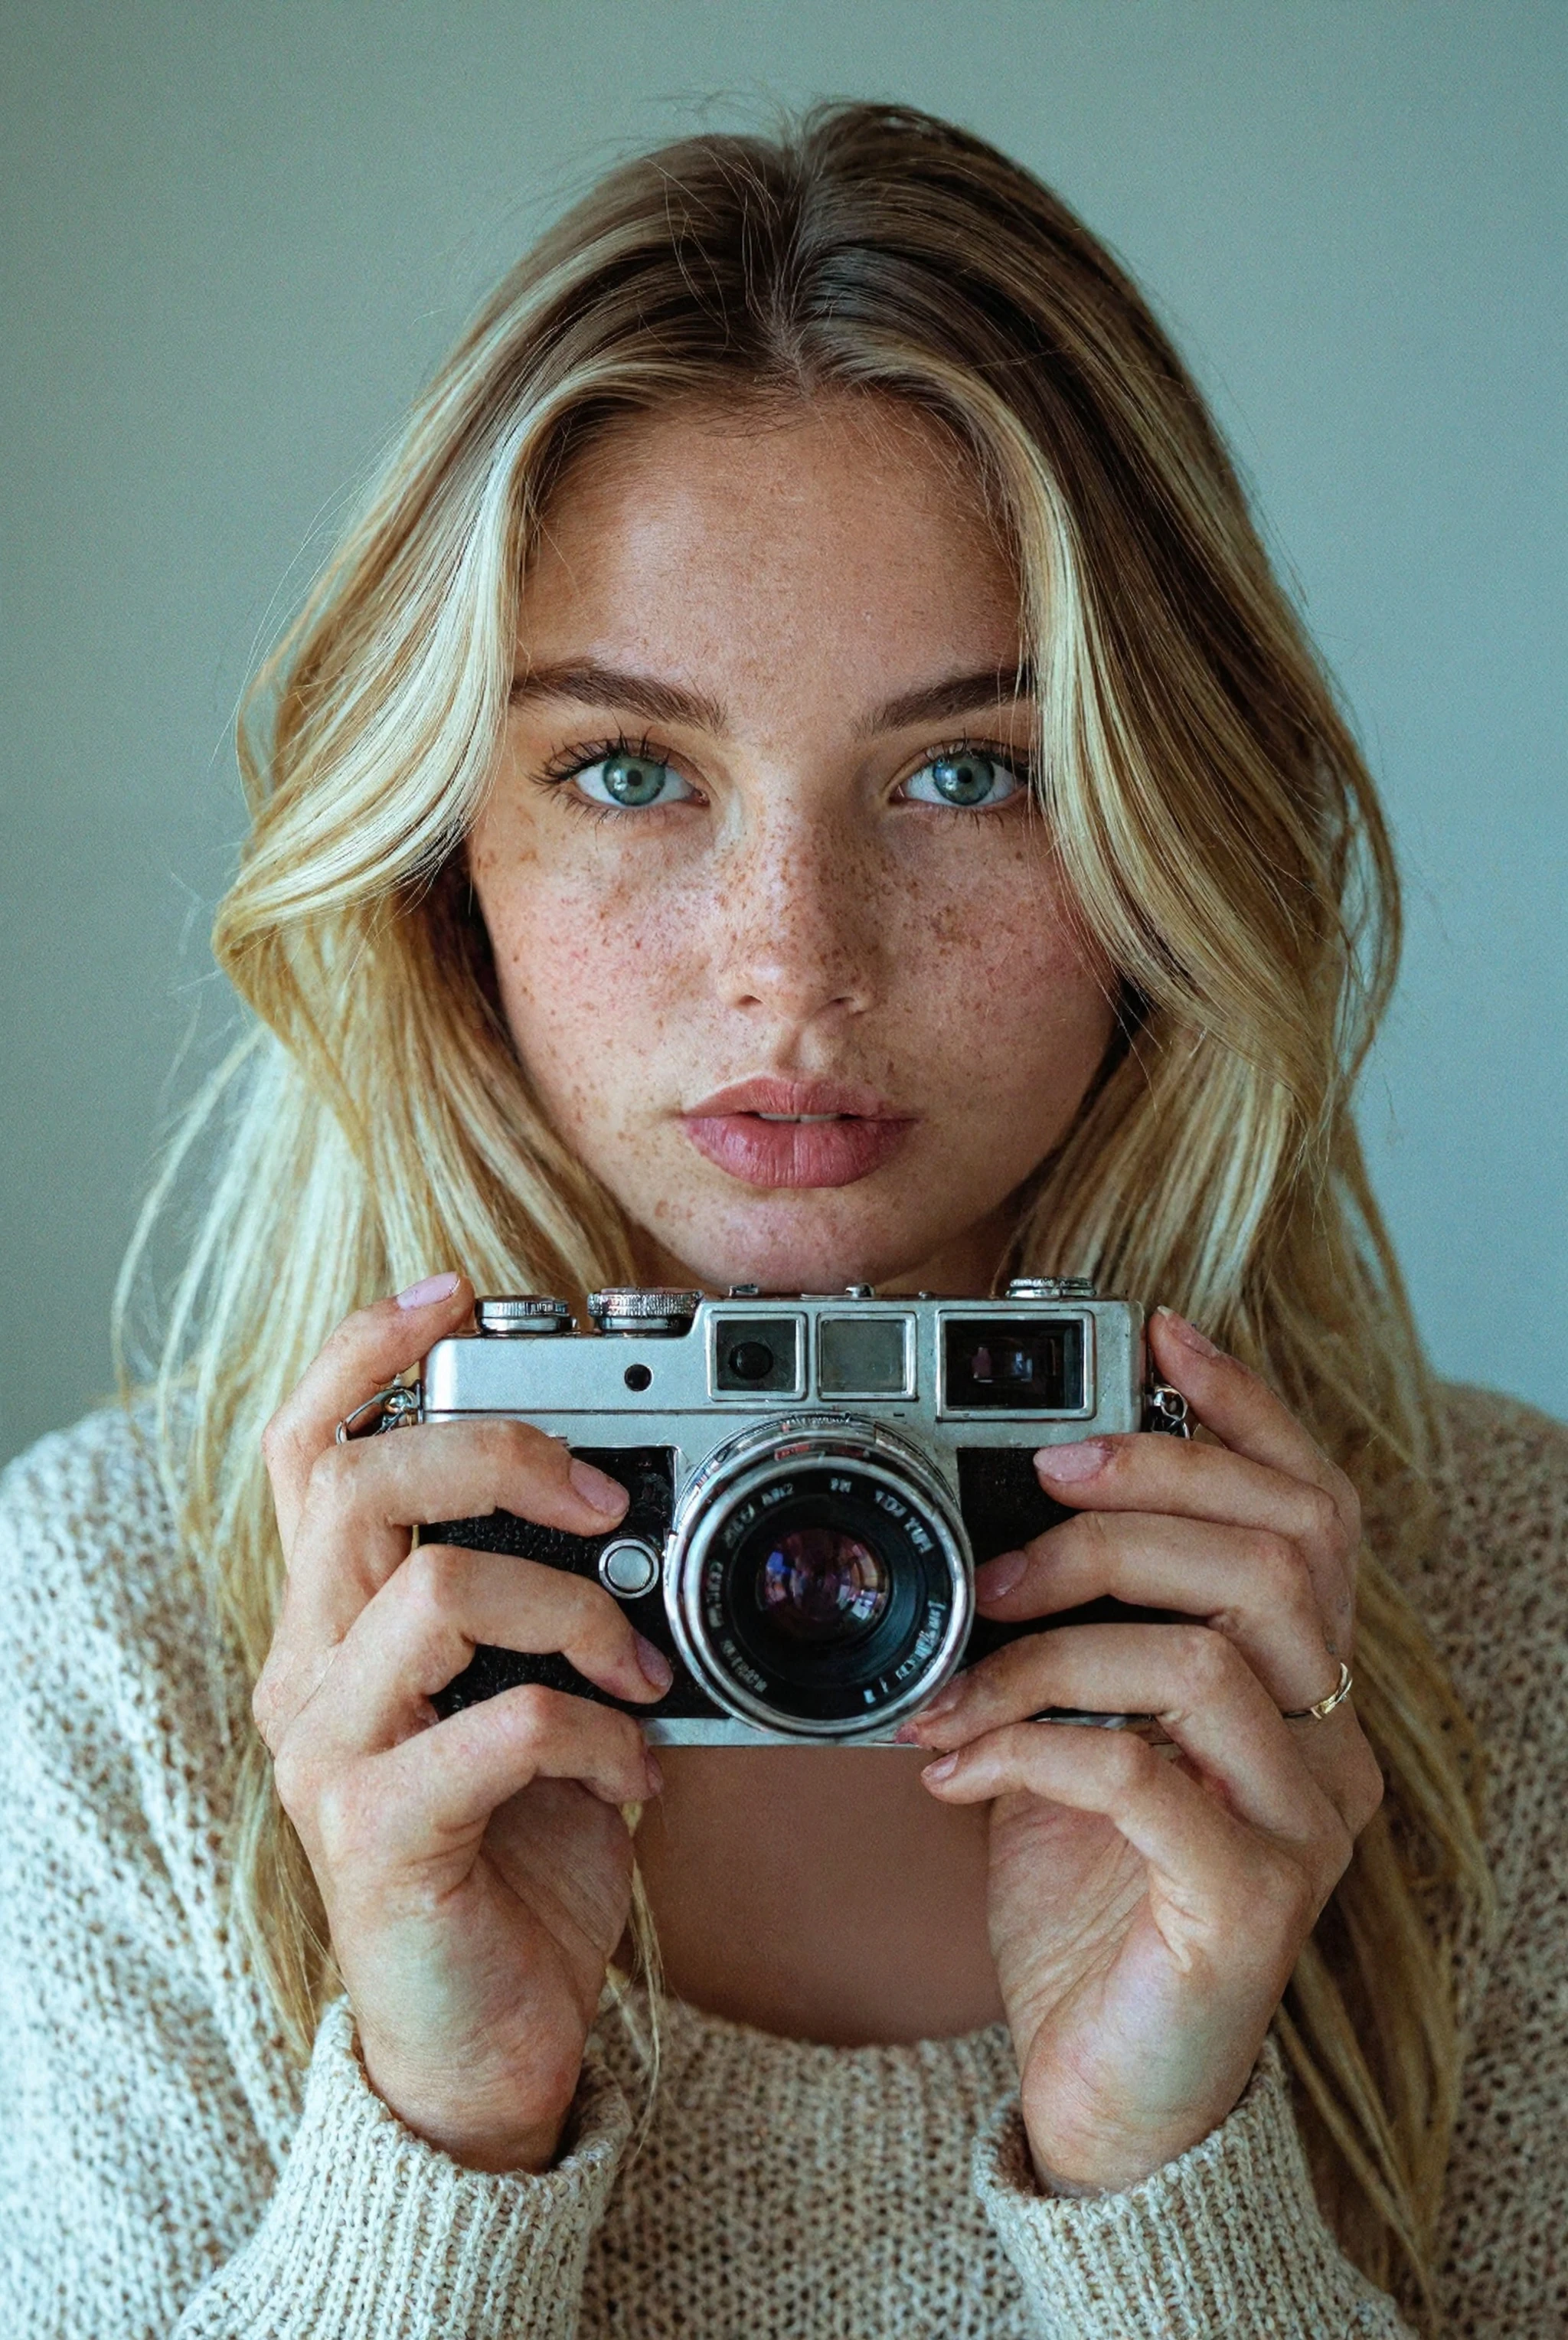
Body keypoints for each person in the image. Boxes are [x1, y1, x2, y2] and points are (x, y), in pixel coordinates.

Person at [1, 103, 1562, 2340]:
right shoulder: (124, 1642)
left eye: (969, 772)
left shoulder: (1502, 1619)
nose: (792, 963)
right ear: (451, 864)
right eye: (629, 773)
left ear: (1163, 837)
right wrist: (439, 2133)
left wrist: (1166, 2180)